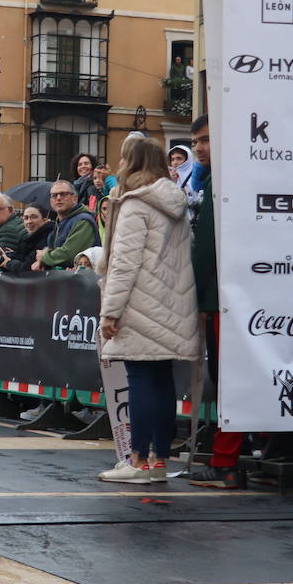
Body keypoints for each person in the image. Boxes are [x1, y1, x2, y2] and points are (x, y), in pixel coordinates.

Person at [96, 135, 200, 483]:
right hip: (171, 302)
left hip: (139, 302)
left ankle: (136, 460)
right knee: (161, 380)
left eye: (124, 157)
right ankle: (158, 460)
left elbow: (124, 264)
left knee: (140, 379)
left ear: (133, 161)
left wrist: (111, 311)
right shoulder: (174, 201)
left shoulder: (136, 204)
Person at [184, 115, 243, 488]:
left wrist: (198, 295)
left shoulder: (223, 184)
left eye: (206, 140)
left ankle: (226, 463)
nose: (200, 148)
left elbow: (206, 250)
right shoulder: (218, 180)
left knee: (229, 379)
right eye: (196, 143)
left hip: (224, 299)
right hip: (241, 295)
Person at [34, 180, 101, 270]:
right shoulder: (59, 223)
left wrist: (44, 256)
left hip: (82, 281)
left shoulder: (83, 221)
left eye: (63, 194)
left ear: (75, 198)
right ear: (51, 201)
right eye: (54, 195)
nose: (58, 198)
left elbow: (69, 255)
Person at [0, 203, 53, 274]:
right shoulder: (31, 239)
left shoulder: (47, 238)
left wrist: (9, 263)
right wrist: (12, 255)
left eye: (34, 217)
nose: (29, 222)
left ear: (44, 220)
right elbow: (25, 259)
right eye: (26, 218)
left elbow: (27, 268)